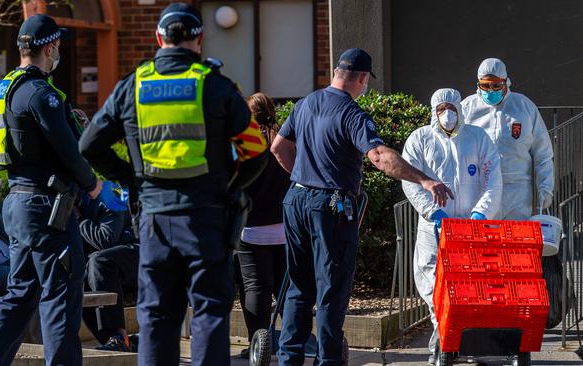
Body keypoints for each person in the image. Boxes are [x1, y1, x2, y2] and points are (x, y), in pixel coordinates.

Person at [78, 3, 268, 365]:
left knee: (156, 316)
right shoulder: (216, 86)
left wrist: (130, 179)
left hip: (153, 220)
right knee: (210, 312)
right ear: (199, 39)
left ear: (158, 38)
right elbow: (256, 152)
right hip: (206, 219)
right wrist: (231, 189)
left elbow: (88, 145)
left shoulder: (133, 85)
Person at [270, 48, 453, 366]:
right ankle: (328, 360)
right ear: (363, 78)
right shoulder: (351, 114)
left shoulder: (306, 104)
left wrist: (304, 178)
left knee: (300, 284)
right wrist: (424, 180)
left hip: (296, 200)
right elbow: (379, 156)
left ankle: (289, 358)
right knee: (332, 286)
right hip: (330, 205)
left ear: (337, 72)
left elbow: (278, 147)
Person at [0, 15, 104, 366]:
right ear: (50, 47)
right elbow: (69, 151)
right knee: (61, 295)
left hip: (17, 202)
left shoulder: (6, 87)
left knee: (20, 293)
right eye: (57, 46)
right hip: (48, 207)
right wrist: (93, 185)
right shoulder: (40, 92)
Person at [401, 88, 502, 364]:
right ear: (433, 111)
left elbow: (493, 179)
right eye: (441, 108)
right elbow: (410, 180)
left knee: (471, 289)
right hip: (433, 231)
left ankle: (461, 344)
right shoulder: (420, 139)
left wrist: (481, 212)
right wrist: (434, 213)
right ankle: (445, 341)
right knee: (434, 287)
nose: (447, 114)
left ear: (460, 109)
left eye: (452, 108)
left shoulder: (478, 138)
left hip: (470, 230)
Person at [462, 58, 554, 220]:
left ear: (506, 83)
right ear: (478, 84)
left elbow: (543, 153)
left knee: (514, 242)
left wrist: (545, 188)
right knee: (482, 242)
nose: (490, 91)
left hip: (516, 192)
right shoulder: (467, 109)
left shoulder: (524, 107)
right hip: (479, 191)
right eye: (485, 86)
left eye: (496, 86)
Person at [236, 93, 291, 359]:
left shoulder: (245, 143)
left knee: (255, 287)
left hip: (251, 228)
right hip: (285, 226)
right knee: (287, 287)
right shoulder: (287, 140)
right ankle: (294, 339)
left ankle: (258, 345)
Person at [77, 186, 139, 353]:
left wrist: (79, 220)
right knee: (78, 278)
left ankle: (119, 336)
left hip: (136, 251)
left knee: (100, 259)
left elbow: (106, 239)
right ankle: (117, 341)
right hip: (103, 267)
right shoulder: (78, 208)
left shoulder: (108, 199)